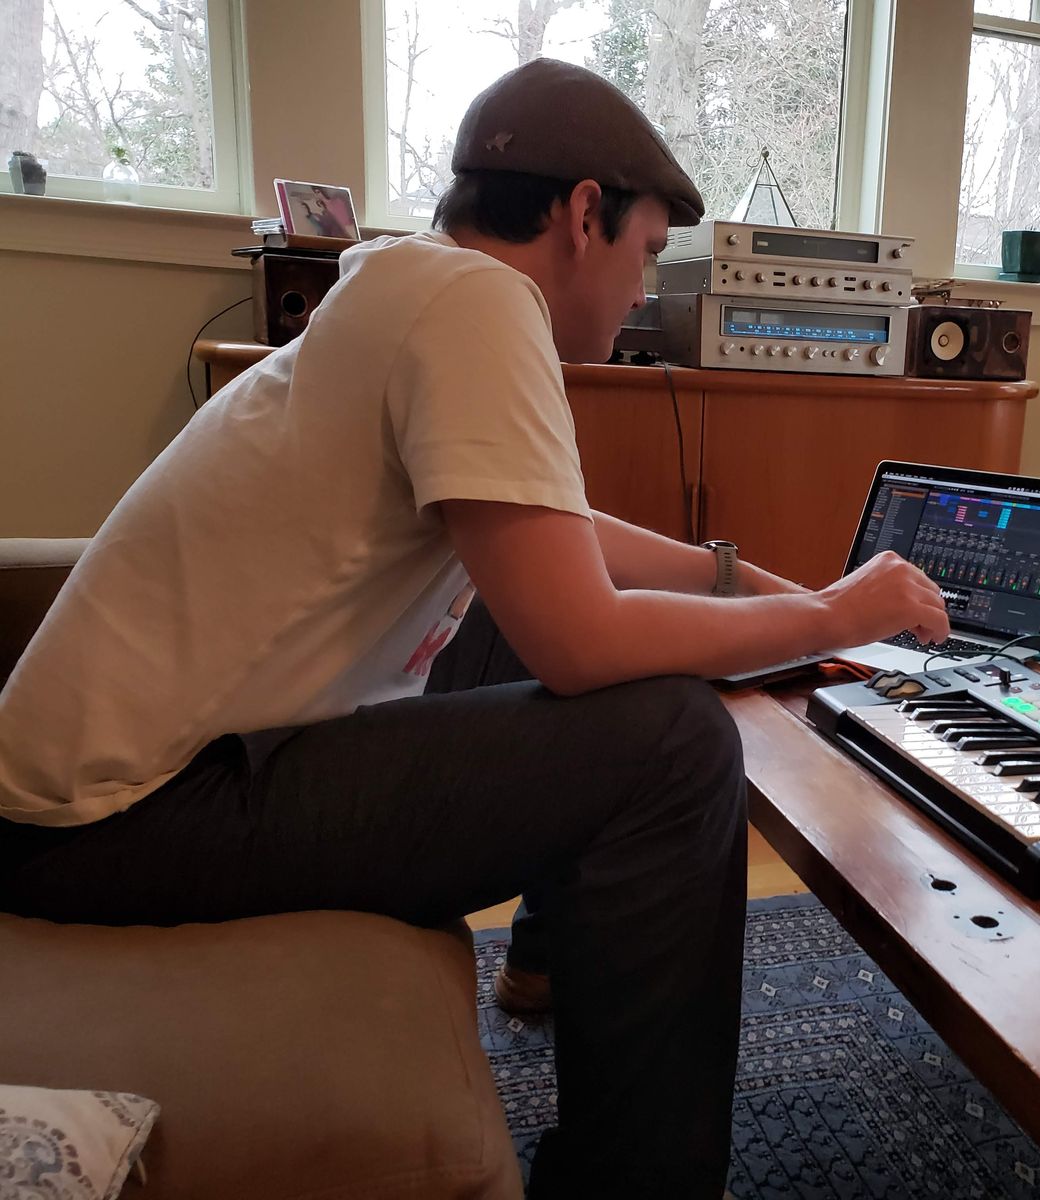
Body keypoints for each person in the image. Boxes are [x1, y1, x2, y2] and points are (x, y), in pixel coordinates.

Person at [0, 60, 948, 1199]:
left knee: (519, 620)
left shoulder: (414, 284)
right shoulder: (476, 306)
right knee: (672, 745)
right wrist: (832, 615)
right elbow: (580, 644)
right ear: (583, 214)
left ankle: (547, 959)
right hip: (122, 823)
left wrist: (740, 580)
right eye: (647, 253)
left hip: (120, 792)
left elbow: (556, 533)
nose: (641, 291)